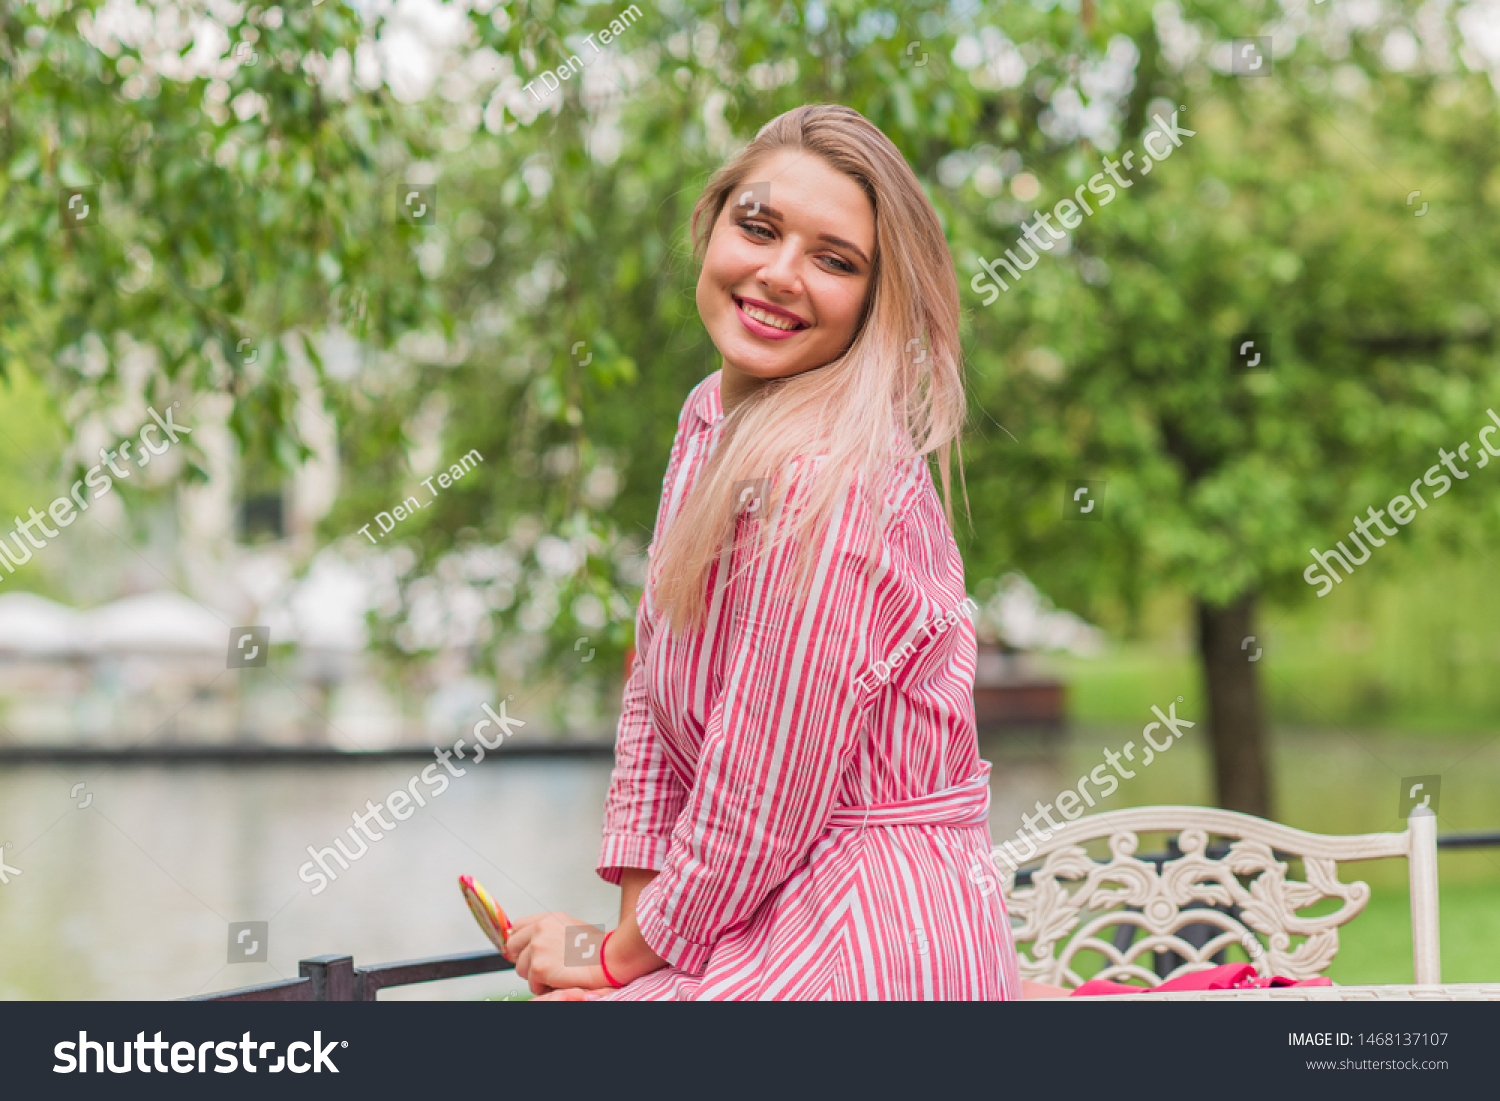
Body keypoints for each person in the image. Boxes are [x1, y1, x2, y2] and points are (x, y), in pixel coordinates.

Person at [505, 103, 1023, 1000]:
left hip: (871, 930)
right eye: (759, 227)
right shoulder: (711, 416)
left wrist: (614, 958)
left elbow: (763, 790)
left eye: (834, 259)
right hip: (758, 905)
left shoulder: (833, 480)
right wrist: (628, 942)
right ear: (710, 227)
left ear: (872, 299)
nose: (780, 273)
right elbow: (653, 700)